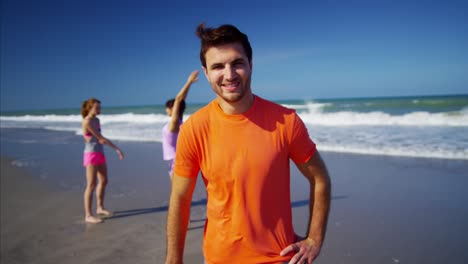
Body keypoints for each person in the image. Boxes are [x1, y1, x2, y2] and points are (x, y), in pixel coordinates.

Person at [165, 24, 331, 264]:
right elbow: (180, 199)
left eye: (237, 63)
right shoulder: (194, 129)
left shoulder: (286, 121)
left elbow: (319, 178)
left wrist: (314, 239)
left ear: (251, 64)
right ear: (206, 72)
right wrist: (173, 260)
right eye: (218, 67)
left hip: (279, 258)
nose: (229, 74)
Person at [81, 98, 124, 224]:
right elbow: (100, 138)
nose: (99, 110)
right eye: (97, 107)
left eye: (100, 107)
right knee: (91, 184)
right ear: (90, 108)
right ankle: (88, 215)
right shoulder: (87, 121)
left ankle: (100, 207)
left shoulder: (97, 120)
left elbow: (100, 141)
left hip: (100, 152)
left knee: (104, 180)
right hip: (91, 155)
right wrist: (117, 149)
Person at [162, 71, 199, 178]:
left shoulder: (174, 124)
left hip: (175, 161)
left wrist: (189, 82)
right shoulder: (179, 122)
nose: (166, 110)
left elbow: (179, 100)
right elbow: (181, 101)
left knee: (177, 193)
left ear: (173, 109)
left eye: (168, 108)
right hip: (176, 159)